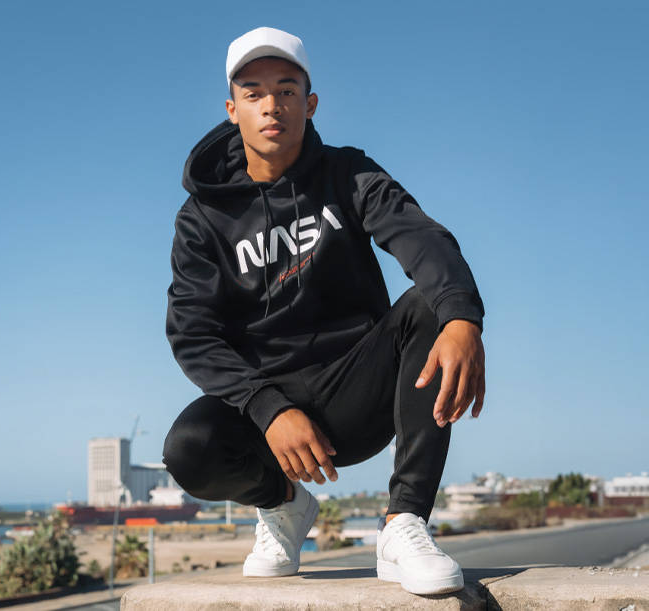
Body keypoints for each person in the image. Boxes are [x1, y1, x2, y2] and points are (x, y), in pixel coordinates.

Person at [159, 26, 486, 596]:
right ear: (233, 110)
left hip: (358, 391)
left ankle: (404, 522)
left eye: (286, 90)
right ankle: (283, 505)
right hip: (269, 412)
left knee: (432, 308)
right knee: (189, 448)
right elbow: (192, 333)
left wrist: (462, 317)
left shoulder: (347, 173)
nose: (271, 106)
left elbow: (420, 237)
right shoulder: (202, 217)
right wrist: (267, 407)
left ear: (309, 104)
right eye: (254, 93)